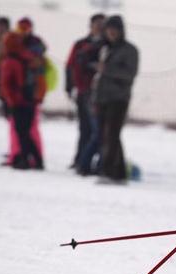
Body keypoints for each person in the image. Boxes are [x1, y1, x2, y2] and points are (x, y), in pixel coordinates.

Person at [92, 15, 138, 183]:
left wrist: (107, 69)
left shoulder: (130, 50)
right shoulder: (106, 49)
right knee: (108, 136)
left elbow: (129, 74)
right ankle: (118, 173)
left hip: (118, 98)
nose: (111, 32)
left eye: (114, 29)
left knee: (111, 135)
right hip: (103, 98)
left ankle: (108, 172)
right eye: (108, 29)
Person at [65, 13, 106, 174]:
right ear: (91, 25)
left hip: (97, 93)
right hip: (83, 91)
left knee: (96, 129)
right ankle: (80, 159)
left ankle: (87, 161)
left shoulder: (106, 45)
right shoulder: (80, 44)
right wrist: (69, 87)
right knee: (84, 128)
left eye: (102, 24)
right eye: (97, 24)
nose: (99, 27)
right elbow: (70, 66)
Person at [0, 32, 44, 170]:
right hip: (31, 101)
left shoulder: (9, 61)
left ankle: (24, 159)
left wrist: (11, 101)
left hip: (18, 103)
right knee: (27, 132)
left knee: (21, 132)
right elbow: (40, 79)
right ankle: (37, 159)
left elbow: (6, 84)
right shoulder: (29, 58)